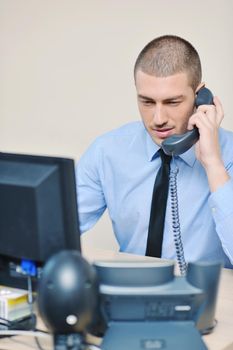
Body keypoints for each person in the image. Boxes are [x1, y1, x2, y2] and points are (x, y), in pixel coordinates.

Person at [76, 34, 233, 268]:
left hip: (210, 299)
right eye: (147, 102)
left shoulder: (228, 154)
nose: (158, 119)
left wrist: (213, 164)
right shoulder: (107, 152)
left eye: (172, 102)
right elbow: (52, 231)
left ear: (200, 96)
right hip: (129, 293)